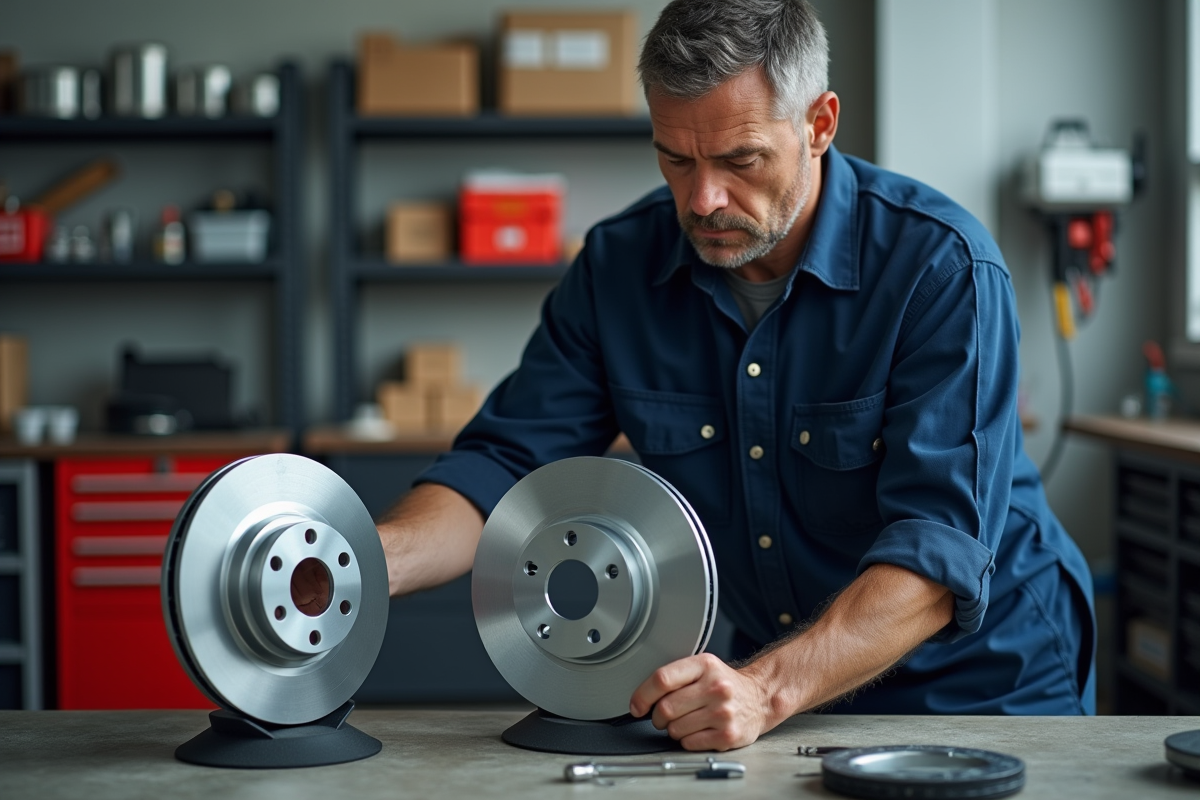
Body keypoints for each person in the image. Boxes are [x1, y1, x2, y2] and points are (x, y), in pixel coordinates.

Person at [374, 0, 1096, 751]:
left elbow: (936, 553)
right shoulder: (618, 269)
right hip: (780, 689)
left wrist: (765, 689)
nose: (703, 200)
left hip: (987, 685)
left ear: (818, 124)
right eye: (675, 159)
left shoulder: (940, 268)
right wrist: (362, 562)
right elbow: (501, 465)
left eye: (740, 160)